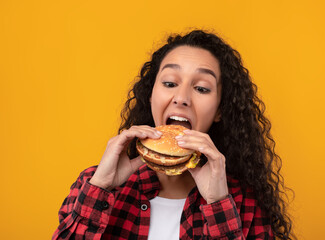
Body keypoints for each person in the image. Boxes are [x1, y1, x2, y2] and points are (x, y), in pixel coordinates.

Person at [52, 30, 294, 240]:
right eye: (169, 83)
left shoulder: (244, 202)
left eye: (201, 88)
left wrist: (218, 203)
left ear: (220, 110)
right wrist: (101, 187)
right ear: (150, 95)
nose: (181, 98)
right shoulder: (94, 185)